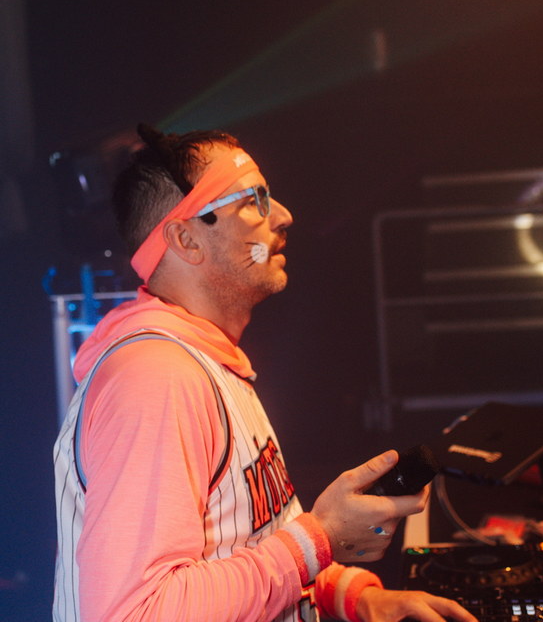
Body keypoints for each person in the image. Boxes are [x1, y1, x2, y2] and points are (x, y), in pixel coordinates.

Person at [53, 124, 477, 622]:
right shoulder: (155, 378)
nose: (283, 215)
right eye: (253, 201)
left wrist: (356, 597)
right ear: (186, 238)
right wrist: (320, 537)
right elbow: (137, 613)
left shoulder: (208, 361)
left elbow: (252, 546)